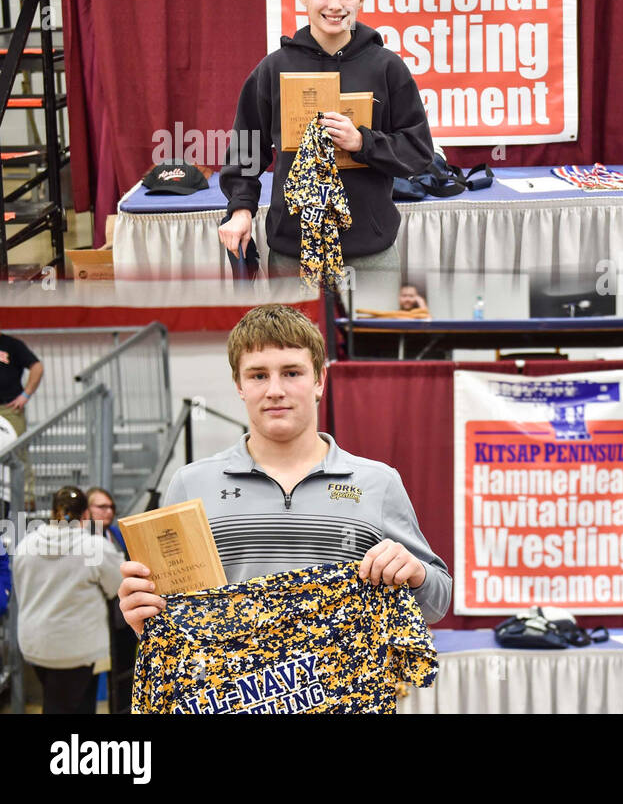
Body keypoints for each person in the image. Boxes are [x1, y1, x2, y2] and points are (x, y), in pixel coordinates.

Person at [118, 304, 453, 641]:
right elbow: (172, 617)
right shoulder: (191, 484)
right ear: (239, 385)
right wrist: (143, 613)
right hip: (230, 693)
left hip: (343, 693)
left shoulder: (378, 482)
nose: (274, 390)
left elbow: (436, 603)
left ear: (320, 379)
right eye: (258, 375)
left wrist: (417, 574)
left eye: (292, 373)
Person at [217, 0, 438, 299]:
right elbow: (245, 151)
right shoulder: (273, 69)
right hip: (293, 253)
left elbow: (418, 151)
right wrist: (241, 208)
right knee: (296, 351)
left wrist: (364, 143)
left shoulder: (386, 67)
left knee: (372, 353)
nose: (335, 5)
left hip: (370, 252)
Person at [11, 486, 124, 714]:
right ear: (85, 514)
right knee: (73, 706)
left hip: (36, 644)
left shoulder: (25, 546)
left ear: (53, 512)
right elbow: (118, 587)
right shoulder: (94, 547)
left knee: (58, 701)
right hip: (77, 647)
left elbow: (21, 587)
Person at [87, 487, 135, 714]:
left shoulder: (116, 533)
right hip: (92, 618)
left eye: (111, 507)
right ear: (87, 510)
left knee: (124, 672)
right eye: (101, 506)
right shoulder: (82, 539)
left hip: (120, 616)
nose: (109, 511)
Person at [0, 329, 42, 445]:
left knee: (16, 451)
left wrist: (25, 394)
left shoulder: (12, 345)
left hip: (8, 408)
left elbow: (37, 367)